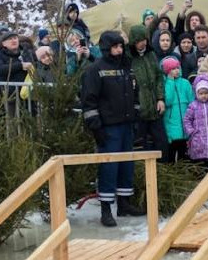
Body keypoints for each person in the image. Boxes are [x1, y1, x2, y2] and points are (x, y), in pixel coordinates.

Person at [81, 31, 146, 227]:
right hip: (108, 127)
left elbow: (134, 94)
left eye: (120, 46)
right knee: (109, 167)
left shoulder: (127, 67)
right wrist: (96, 127)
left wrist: (135, 117)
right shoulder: (95, 69)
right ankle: (106, 209)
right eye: (115, 47)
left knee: (127, 164)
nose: (119, 50)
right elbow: (89, 101)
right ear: (107, 48)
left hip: (126, 125)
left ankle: (124, 204)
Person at [127, 24, 168, 157]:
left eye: (144, 39)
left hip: (155, 109)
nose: (142, 43)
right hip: (138, 110)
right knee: (140, 146)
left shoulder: (151, 54)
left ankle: (164, 170)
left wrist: (160, 98)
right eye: (139, 40)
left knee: (162, 143)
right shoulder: (128, 57)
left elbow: (158, 76)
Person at [0, 30, 32, 116]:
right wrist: (20, 66)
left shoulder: (24, 51)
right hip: (9, 94)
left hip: (27, 92)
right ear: (3, 43)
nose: (14, 40)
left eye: (15, 38)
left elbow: (33, 63)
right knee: (12, 121)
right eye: (10, 39)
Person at [162, 56, 193, 161]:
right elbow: (168, 101)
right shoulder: (165, 83)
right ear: (167, 71)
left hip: (185, 127)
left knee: (183, 156)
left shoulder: (185, 83)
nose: (176, 71)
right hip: (171, 126)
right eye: (173, 69)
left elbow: (191, 101)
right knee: (171, 154)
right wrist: (170, 82)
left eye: (177, 68)